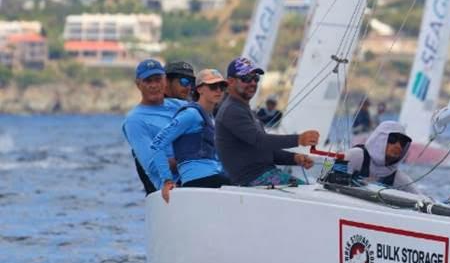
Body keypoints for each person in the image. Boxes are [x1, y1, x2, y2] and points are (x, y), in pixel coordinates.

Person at [215, 57, 320, 187]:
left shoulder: (245, 109)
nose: (253, 83)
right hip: (251, 180)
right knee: (307, 191)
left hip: (264, 175)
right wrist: (299, 139)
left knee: (310, 190)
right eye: (246, 78)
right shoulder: (231, 110)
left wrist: (295, 158)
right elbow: (260, 140)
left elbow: (265, 149)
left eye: (256, 79)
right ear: (230, 81)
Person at [150, 69, 231, 203]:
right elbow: (157, 144)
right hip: (198, 180)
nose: (218, 91)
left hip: (213, 176)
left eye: (222, 87)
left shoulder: (211, 117)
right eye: (213, 86)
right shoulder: (191, 114)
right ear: (199, 89)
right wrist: (167, 180)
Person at [122, 59, 185, 194]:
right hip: (174, 188)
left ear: (165, 81)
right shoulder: (134, 121)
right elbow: (154, 166)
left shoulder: (180, 106)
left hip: (199, 174)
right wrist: (191, 158)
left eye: (157, 80)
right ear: (138, 84)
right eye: (148, 81)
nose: (154, 85)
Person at [344, 120, 420, 194]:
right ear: (380, 139)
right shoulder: (355, 157)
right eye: (393, 139)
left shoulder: (399, 179)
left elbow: (423, 199)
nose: (398, 146)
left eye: (402, 142)